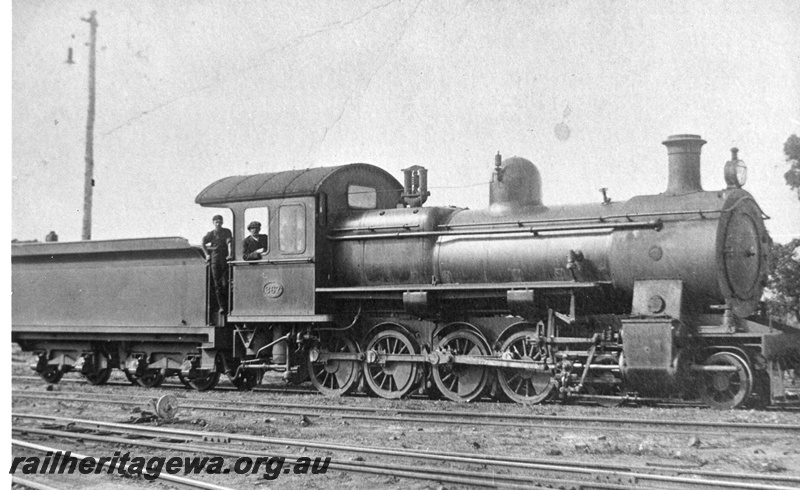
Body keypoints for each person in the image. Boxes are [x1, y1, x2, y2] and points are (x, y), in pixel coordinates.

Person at [202, 215, 233, 314]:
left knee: (225, 283)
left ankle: (228, 305)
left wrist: (230, 254)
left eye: (220, 222)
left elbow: (229, 243)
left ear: (222, 222)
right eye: (216, 222)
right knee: (217, 284)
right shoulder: (211, 234)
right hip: (215, 260)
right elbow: (203, 242)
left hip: (224, 259)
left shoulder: (227, 231)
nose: (218, 224)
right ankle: (222, 307)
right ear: (213, 223)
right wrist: (207, 254)